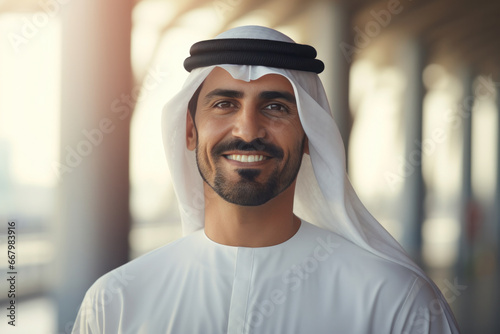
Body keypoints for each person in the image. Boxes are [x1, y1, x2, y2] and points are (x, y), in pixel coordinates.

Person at [72, 25, 460, 333]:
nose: (247, 129)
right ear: (189, 131)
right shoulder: (116, 302)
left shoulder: (396, 302)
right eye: (225, 104)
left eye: (275, 107)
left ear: (309, 134)